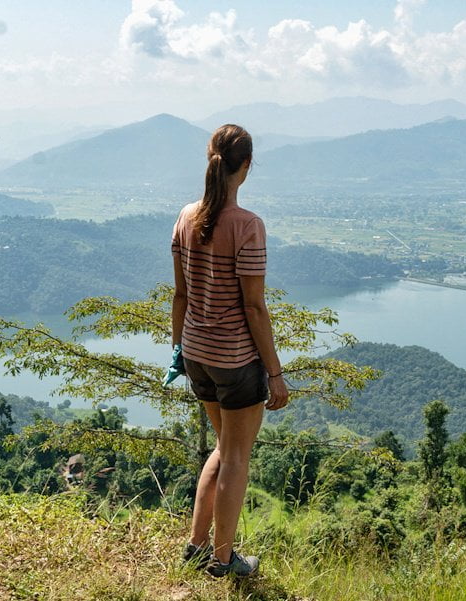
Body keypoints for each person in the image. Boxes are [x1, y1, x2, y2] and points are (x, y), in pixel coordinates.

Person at [170, 123, 289, 578]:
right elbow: (254, 307)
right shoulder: (247, 226)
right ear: (247, 165)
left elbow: (180, 295)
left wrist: (177, 350)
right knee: (237, 457)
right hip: (235, 361)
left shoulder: (186, 216)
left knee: (222, 448)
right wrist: (275, 373)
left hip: (196, 354)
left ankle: (197, 546)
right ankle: (222, 561)